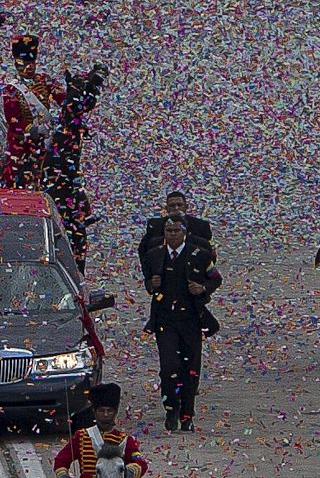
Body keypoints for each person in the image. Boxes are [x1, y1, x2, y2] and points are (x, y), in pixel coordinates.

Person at [143, 215, 222, 432]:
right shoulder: (155, 255)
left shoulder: (200, 255)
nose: (172, 235)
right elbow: (148, 281)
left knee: (191, 368)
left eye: (176, 231)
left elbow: (215, 277)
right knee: (169, 366)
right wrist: (152, 284)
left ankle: (187, 414)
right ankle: (171, 408)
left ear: (184, 232)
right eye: (168, 231)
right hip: (165, 320)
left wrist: (203, 288)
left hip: (191, 321)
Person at [0, 34, 66, 189]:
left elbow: (63, 99)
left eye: (31, 63)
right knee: (16, 174)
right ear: (17, 64)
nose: (28, 68)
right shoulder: (11, 89)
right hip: (24, 144)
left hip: (47, 139)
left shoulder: (45, 80)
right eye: (23, 64)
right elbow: (13, 122)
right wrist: (34, 130)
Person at [53, 383, 148, 478]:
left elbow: (141, 463)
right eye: (101, 411)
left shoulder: (124, 440)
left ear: (115, 413)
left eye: (109, 411)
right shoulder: (81, 436)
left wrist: (128, 472)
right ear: (94, 412)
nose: (105, 414)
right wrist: (64, 476)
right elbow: (60, 461)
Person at [137, 191, 213, 264]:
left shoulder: (201, 225)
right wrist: (149, 274)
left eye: (179, 205)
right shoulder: (155, 225)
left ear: (186, 207)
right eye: (172, 205)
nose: (176, 208)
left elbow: (209, 252)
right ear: (166, 208)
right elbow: (143, 250)